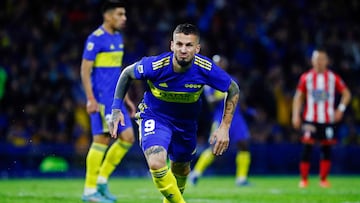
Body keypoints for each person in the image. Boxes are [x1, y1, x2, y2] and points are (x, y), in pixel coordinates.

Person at [109, 23, 240, 203]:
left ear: (197, 48)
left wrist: (225, 127)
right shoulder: (156, 65)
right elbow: (127, 74)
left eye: (189, 45)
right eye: (179, 44)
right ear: (172, 45)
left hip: (186, 124)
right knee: (156, 162)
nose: (183, 50)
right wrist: (116, 109)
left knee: (181, 169)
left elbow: (233, 89)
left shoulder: (205, 68)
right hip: (155, 116)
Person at [80, 1, 135, 202]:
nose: (124, 18)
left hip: (116, 99)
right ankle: (89, 191)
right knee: (101, 140)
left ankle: (101, 181)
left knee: (128, 137)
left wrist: (126, 98)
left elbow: (118, 73)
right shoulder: (96, 39)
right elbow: (85, 70)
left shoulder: (118, 38)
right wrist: (90, 99)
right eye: (120, 14)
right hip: (102, 99)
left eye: (125, 14)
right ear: (108, 16)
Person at [292, 48, 351, 188]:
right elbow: (298, 97)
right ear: (312, 61)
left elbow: (347, 94)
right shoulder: (306, 77)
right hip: (310, 119)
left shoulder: (333, 78)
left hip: (327, 120)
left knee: (326, 148)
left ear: (327, 61)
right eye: (316, 59)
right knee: (307, 147)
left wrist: (340, 110)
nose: (319, 62)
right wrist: (295, 115)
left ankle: (323, 180)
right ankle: (304, 180)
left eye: (322, 59)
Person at [188, 54, 251, 187]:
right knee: (215, 148)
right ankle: (196, 173)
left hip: (237, 117)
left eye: (222, 62)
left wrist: (248, 109)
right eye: (217, 62)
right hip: (220, 117)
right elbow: (209, 102)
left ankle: (241, 178)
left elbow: (240, 97)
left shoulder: (232, 79)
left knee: (244, 145)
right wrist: (222, 96)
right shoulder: (209, 82)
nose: (220, 64)